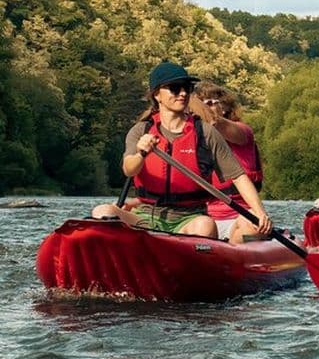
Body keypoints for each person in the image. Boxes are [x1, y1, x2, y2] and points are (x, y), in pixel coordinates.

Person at [92, 61, 272, 238]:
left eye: (187, 87)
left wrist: (259, 213)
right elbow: (129, 169)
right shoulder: (140, 130)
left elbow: (239, 177)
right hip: (146, 216)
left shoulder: (205, 132)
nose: (183, 93)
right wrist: (141, 153)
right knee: (102, 211)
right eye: (175, 88)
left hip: (188, 219)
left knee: (204, 225)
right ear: (157, 94)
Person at [190, 81, 264, 244]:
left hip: (239, 217)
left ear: (224, 108)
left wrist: (189, 96)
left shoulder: (242, 131)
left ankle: (233, 249)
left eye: (210, 103)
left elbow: (213, 120)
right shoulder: (191, 138)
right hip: (204, 218)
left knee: (251, 227)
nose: (204, 108)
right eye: (203, 104)